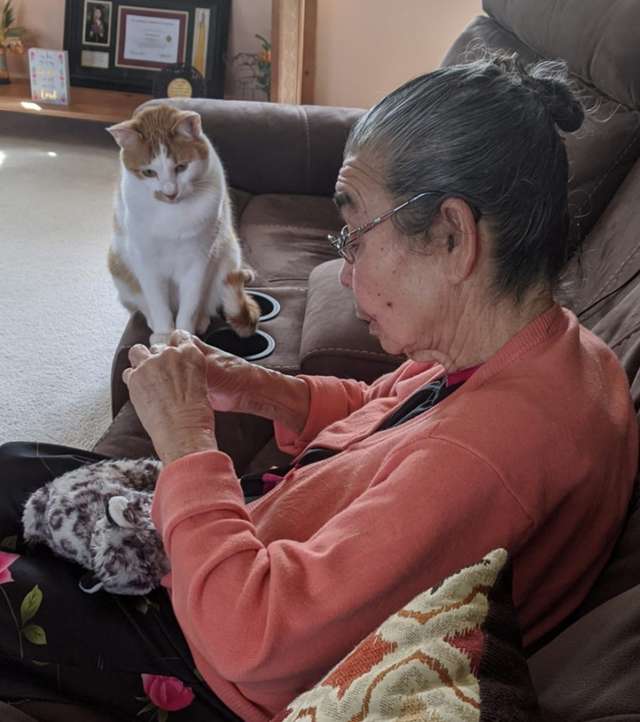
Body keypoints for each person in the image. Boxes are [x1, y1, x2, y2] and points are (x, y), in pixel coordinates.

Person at [0, 55, 637, 722]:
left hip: (225, 662)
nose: (342, 264)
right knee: (16, 466)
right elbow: (386, 412)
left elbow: (253, 642)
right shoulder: (538, 348)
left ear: (452, 236)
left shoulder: (486, 457)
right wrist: (257, 389)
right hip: (263, 548)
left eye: (356, 233)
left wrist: (188, 443)